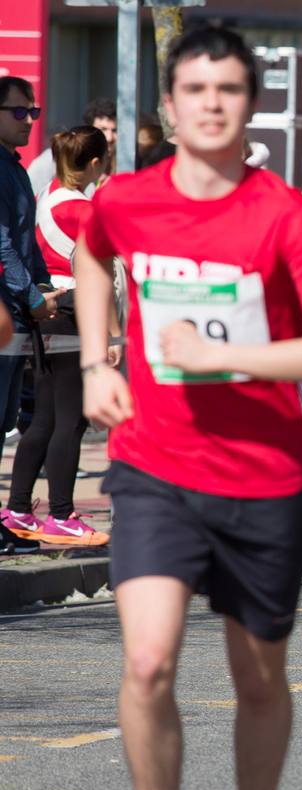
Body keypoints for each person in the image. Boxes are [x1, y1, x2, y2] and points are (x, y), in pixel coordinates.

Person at [74, 26, 302, 790]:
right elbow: (92, 255)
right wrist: (97, 359)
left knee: (259, 680)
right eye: (195, 90)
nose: (211, 104)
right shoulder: (127, 200)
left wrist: (211, 356)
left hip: (263, 478)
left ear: (250, 105)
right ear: (170, 104)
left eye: (228, 90)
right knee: (148, 662)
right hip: (154, 467)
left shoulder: (285, 215)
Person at [2, 127, 120, 546]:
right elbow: (99, 273)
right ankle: (62, 514)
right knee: (70, 420)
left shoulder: (47, 196)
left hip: (46, 308)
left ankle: (17, 507)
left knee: (45, 418)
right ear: (94, 164)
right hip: (73, 311)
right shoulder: (86, 211)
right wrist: (113, 335)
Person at [0, 74, 58, 556]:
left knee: (4, 421)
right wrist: (32, 294)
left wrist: (42, 286)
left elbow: (26, 240)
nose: (28, 121)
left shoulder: (15, 168)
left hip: (18, 313)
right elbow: (1, 244)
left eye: (32, 112)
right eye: (19, 112)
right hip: (4, 312)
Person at [28, 96, 117, 196]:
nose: (109, 138)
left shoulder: (126, 164)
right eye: (103, 129)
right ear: (88, 129)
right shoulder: (52, 159)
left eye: (115, 130)